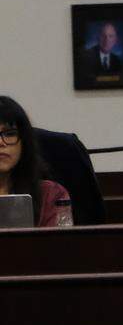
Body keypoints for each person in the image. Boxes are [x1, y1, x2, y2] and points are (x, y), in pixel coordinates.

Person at [0, 96, 71, 227]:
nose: (1, 143)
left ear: (24, 142)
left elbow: (61, 245)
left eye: (10, 134)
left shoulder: (51, 194)